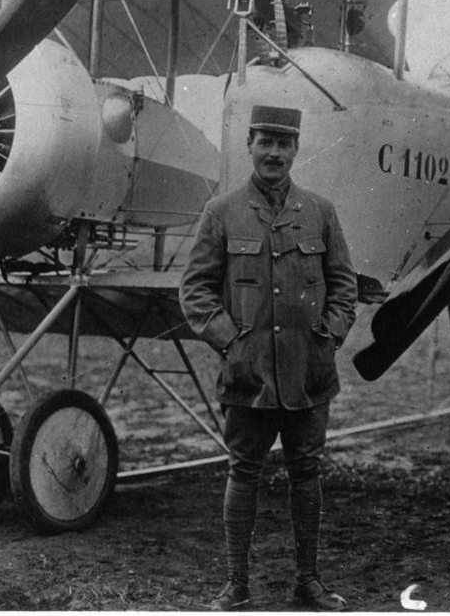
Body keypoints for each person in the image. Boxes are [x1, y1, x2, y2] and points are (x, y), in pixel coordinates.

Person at [180, 104, 358, 611]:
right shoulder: (222, 212)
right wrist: (231, 343)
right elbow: (194, 291)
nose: (274, 153)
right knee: (243, 471)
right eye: (266, 143)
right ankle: (236, 584)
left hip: (308, 372)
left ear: (297, 148)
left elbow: (344, 287)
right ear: (250, 146)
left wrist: (328, 336)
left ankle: (309, 582)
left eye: (284, 144)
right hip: (248, 373)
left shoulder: (320, 211)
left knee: (307, 472)